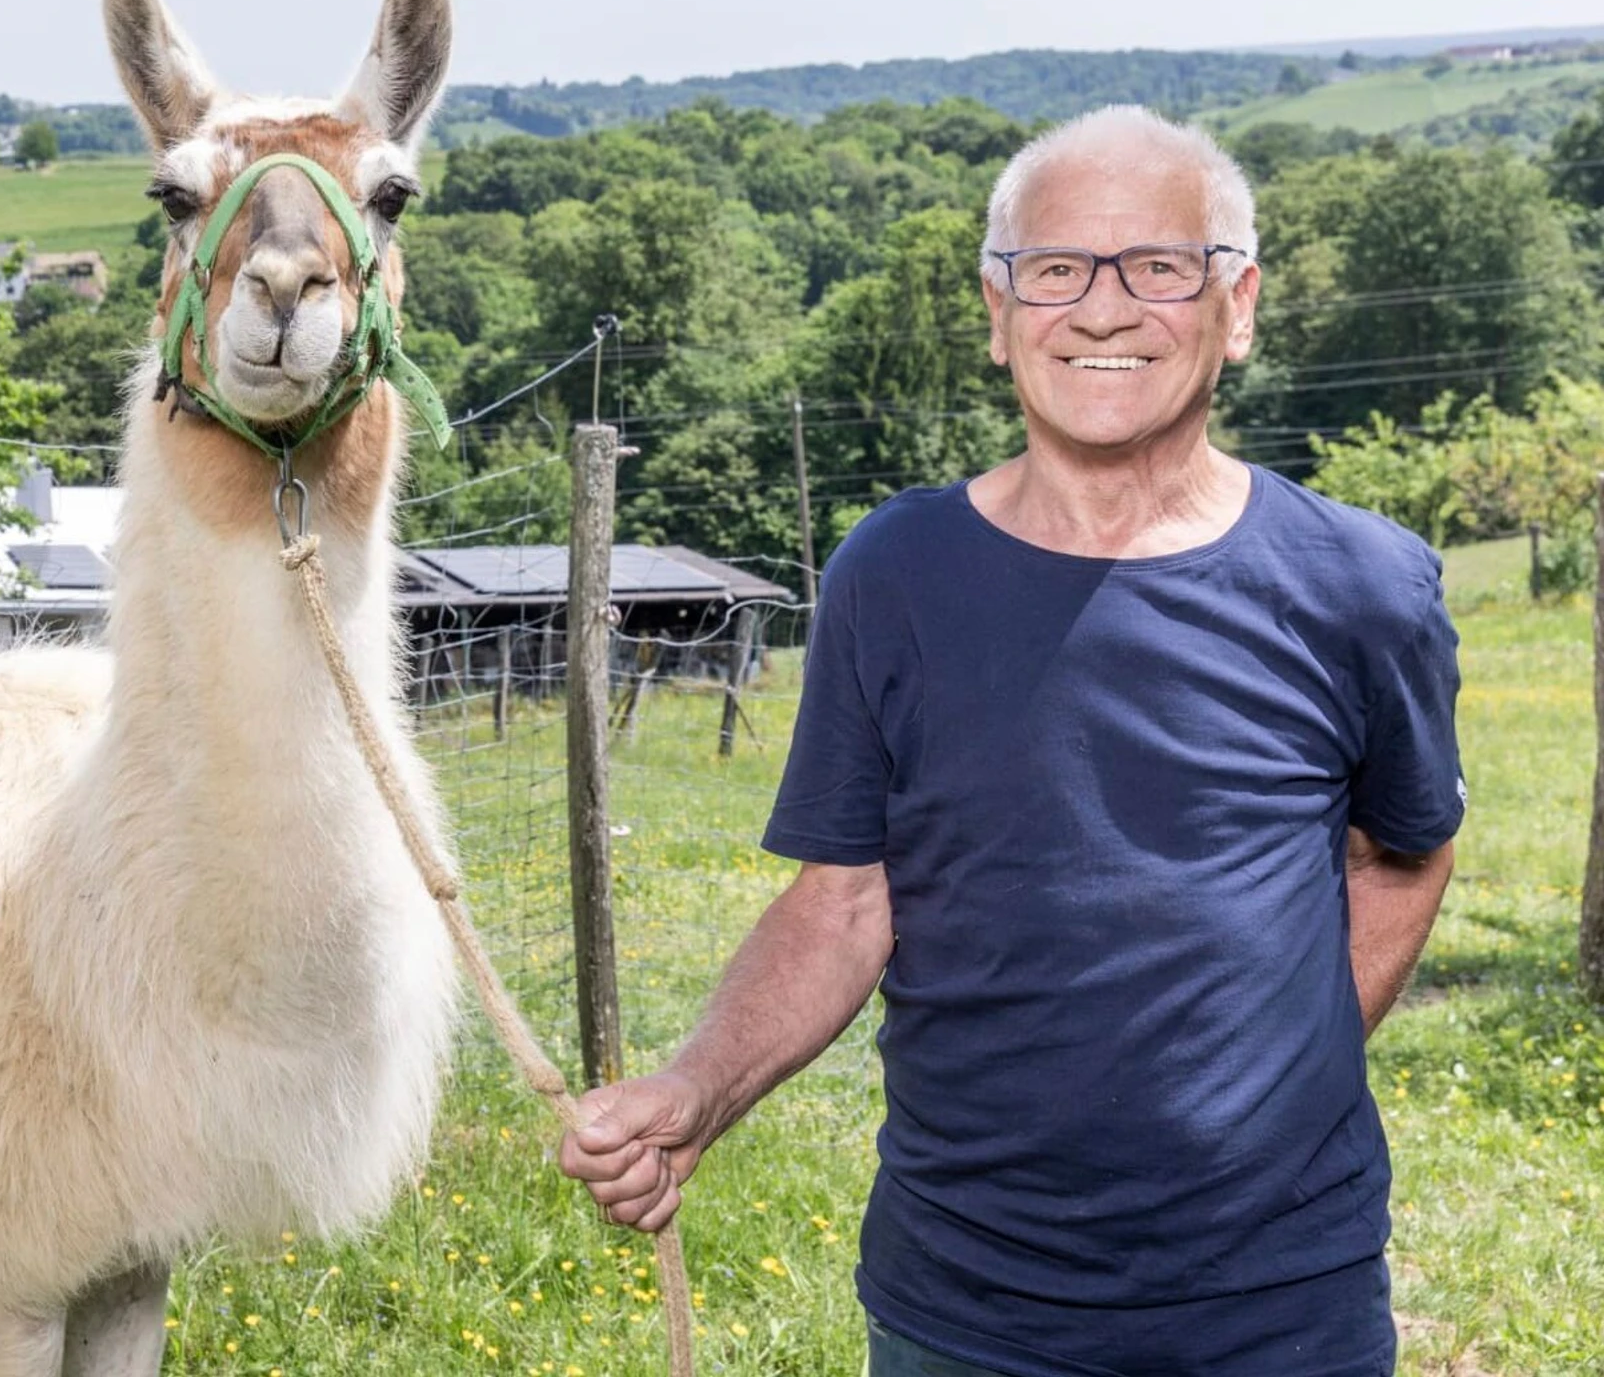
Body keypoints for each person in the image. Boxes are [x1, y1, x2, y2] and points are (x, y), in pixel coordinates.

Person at [556, 106, 1464, 1377]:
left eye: (1159, 266)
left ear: (1237, 305)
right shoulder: (896, 570)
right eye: (1054, 270)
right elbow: (840, 905)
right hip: (967, 1304)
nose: (1102, 311)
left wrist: (1281, 1069)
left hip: (1279, 1306)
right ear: (997, 313)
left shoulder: (1362, 585)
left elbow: (1401, 856)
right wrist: (697, 1091)